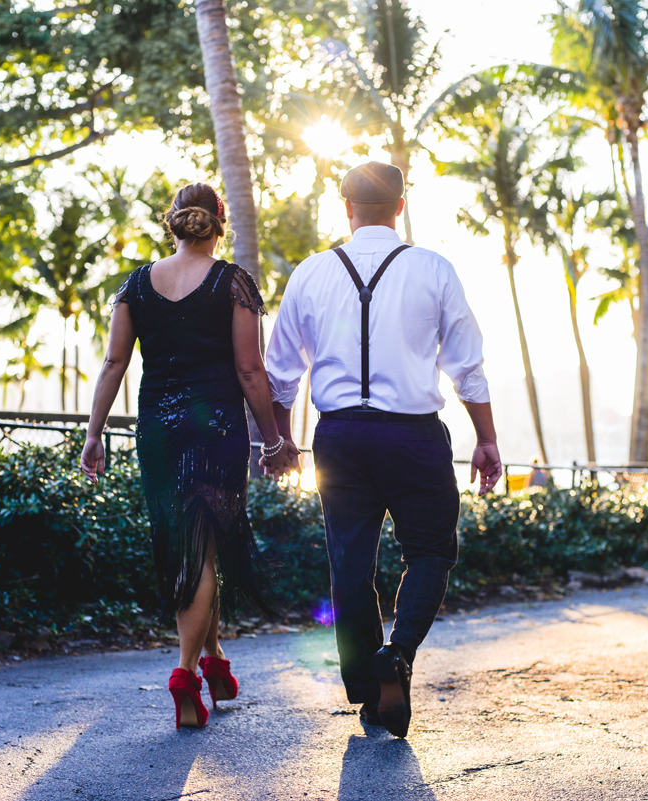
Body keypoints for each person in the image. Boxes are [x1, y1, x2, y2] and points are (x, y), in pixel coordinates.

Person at [266, 162, 502, 738]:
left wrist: (282, 442)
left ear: (345, 208)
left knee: (350, 564)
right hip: (413, 436)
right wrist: (487, 438)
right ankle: (396, 654)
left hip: (340, 437)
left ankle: (370, 694)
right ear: (400, 207)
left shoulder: (311, 273)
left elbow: (279, 375)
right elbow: (465, 367)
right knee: (430, 552)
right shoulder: (433, 269)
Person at [80, 183, 295, 730]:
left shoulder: (135, 285)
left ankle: (214, 662)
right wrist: (272, 439)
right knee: (203, 550)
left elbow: (113, 365)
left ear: (172, 222)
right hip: (215, 429)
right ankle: (184, 675)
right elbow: (250, 371)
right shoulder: (232, 283)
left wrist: (94, 434)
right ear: (219, 222)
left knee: (191, 547)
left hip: (156, 432)